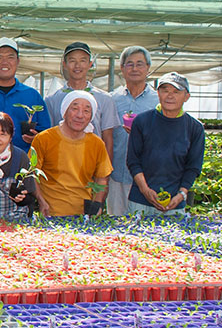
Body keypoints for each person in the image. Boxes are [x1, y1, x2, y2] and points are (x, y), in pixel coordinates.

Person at [126, 72, 205, 216]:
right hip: (140, 200)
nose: (170, 96)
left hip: (174, 202)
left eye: (176, 92)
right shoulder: (142, 121)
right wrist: (145, 190)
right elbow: (133, 160)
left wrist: (181, 195)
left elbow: (193, 167)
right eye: (165, 90)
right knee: (137, 238)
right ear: (158, 93)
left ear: (186, 97)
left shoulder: (194, 127)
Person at [30, 91, 113, 217]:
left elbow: (102, 178)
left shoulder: (97, 144)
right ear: (64, 112)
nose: (80, 115)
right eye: (75, 109)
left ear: (91, 116)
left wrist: (97, 205)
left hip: (83, 214)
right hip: (50, 212)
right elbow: (32, 173)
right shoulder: (44, 139)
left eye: (86, 111)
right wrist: (41, 201)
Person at [44, 42, 118, 164]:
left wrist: (105, 174)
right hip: (62, 165)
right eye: (72, 60)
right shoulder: (52, 100)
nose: (77, 65)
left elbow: (108, 138)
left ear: (90, 64)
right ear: (65, 64)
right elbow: (48, 136)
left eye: (83, 60)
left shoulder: (105, 99)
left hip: (93, 164)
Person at [108, 46, 159, 216]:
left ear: (148, 68)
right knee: (115, 225)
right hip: (116, 175)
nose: (135, 69)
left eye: (140, 64)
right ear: (122, 69)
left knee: (145, 228)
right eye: (129, 64)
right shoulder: (112, 99)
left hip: (148, 178)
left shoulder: (158, 101)